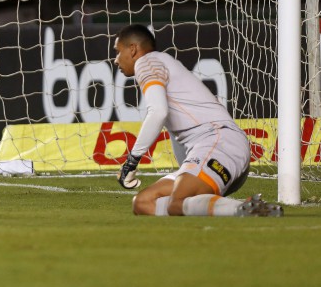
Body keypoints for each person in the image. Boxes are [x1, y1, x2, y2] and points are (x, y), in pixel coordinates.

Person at [112, 24, 283, 217]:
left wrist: (132, 161)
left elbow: (158, 112)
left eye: (118, 52)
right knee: (142, 203)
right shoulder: (161, 63)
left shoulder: (146, 62)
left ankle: (243, 209)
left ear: (133, 49)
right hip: (212, 150)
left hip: (219, 141)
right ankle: (232, 206)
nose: (116, 59)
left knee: (178, 201)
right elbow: (176, 130)